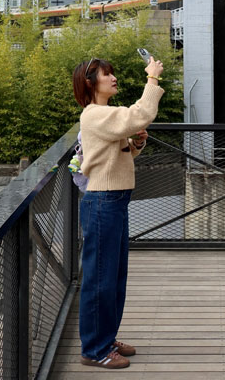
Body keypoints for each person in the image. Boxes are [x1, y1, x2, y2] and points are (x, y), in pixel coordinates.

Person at [72, 55, 164, 370]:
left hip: (113, 200)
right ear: (90, 82)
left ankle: (106, 338)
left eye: (112, 73)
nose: (113, 78)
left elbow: (119, 151)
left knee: (113, 277)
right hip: (103, 202)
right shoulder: (95, 114)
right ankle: (95, 349)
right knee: (100, 279)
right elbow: (140, 114)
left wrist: (136, 144)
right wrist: (152, 79)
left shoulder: (104, 114)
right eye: (106, 74)